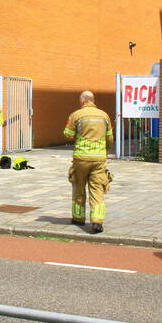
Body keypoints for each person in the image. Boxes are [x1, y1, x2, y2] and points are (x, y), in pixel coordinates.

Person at [63, 90, 113, 233]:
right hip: (99, 159)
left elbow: (68, 135)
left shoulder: (76, 115)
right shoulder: (104, 115)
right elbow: (110, 138)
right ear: (93, 100)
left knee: (79, 187)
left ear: (83, 101)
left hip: (81, 159)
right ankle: (97, 222)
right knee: (97, 190)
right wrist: (105, 152)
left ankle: (78, 218)